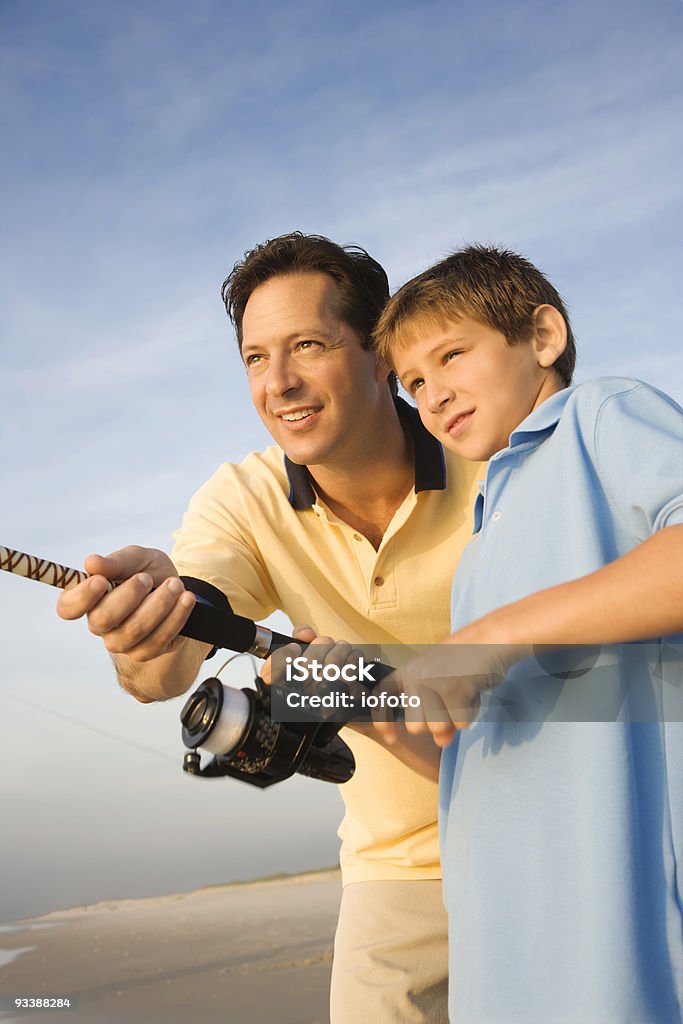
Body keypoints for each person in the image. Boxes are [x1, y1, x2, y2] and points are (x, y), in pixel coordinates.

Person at [57, 232, 483, 1024]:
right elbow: (162, 671)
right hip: (394, 868)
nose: (278, 382)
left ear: (380, 352)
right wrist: (145, 629)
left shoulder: (487, 447)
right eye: (255, 358)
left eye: (308, 345)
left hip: (566, 824)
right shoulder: (239, 497)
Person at [370, 244, 683, 1022]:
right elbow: (467, 752)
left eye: (451, 355)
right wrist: (361, 702)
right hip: (502, 926)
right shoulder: (480, 542)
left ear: (542, 337)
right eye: (412, 383)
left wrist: (503, 632)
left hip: (612, 913)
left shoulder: (597, 415)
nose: (433, 395)